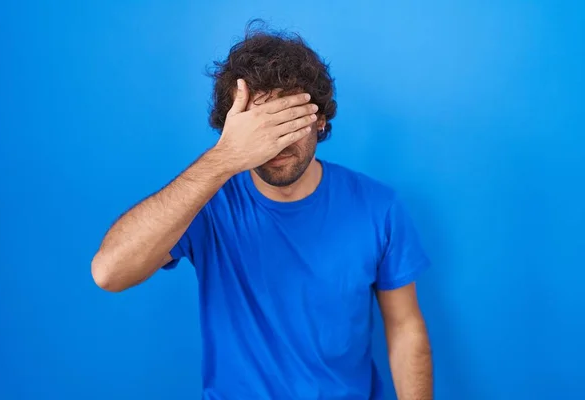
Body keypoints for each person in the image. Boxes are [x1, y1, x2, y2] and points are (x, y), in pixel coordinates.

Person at [92, 22, 433, 400]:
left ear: (319, 120)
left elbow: (404, 326)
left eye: (290, 118)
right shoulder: (207, 204)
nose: (277, 141)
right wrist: (223, 158)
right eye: (260, 125)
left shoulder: (378, 207)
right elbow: (109, 273)